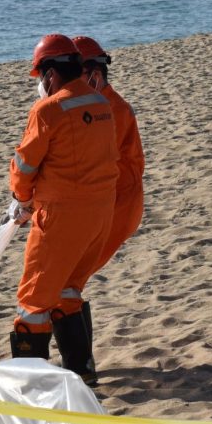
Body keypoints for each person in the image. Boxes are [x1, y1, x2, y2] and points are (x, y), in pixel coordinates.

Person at [7, 33, 119, 386]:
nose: (41, 84)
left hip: (60, 217)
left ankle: (32, 385)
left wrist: (22, 200)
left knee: (33, 300)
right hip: (100, 214)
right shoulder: (101, 104)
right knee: (69, 290)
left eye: (40, 77)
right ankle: (81, 372)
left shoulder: (48, 110)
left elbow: (25, 164)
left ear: (50, 74)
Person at [71, 35, 146, 375]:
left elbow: (91, 169)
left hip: (114, 208)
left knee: (65, 284)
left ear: (92, 72)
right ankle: (80, 365)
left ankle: (81, 368)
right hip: (114, 206)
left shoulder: (106, 110)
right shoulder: (102, 104)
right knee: (69, 283)